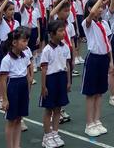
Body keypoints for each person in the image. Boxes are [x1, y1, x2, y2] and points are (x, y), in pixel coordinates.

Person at [81, 0, 111, 137]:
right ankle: (89, 123)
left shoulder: (104, 23)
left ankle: (97, 120)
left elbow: (108, 43)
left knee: (100, 92)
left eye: (102, 7)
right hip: (93, 59)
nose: (101, 9)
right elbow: (92, 13)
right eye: (98, 7)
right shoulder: (88, 23)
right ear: (89, 9)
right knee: (91, 93)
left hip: (104, 59)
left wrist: (111, 60)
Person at [39, 20, 71, 148]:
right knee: (49, 110)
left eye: (64, 30)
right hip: (50, 80)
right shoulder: (47, 50)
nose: (63, 33)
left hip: (61, 78)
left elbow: (67, 65)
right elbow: (44, 69)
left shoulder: (65, 47)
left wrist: (68, 81)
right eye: (60, 31)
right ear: (52, 34)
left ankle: (55, 133)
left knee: (58, 108)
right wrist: (43, 86)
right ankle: (47, 136)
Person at [0, 27, 31, 148]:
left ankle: (17, 145)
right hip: (12, 88)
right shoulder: (6, 60)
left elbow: (27, 74)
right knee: (11, 120)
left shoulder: (25, 55)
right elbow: (3, 80)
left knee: (19, 119)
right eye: (24, 41)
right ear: (14, 42)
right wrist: (5, 99)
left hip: (23, 86)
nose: (26, 44)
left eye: (27, 41)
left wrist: (28, 91)